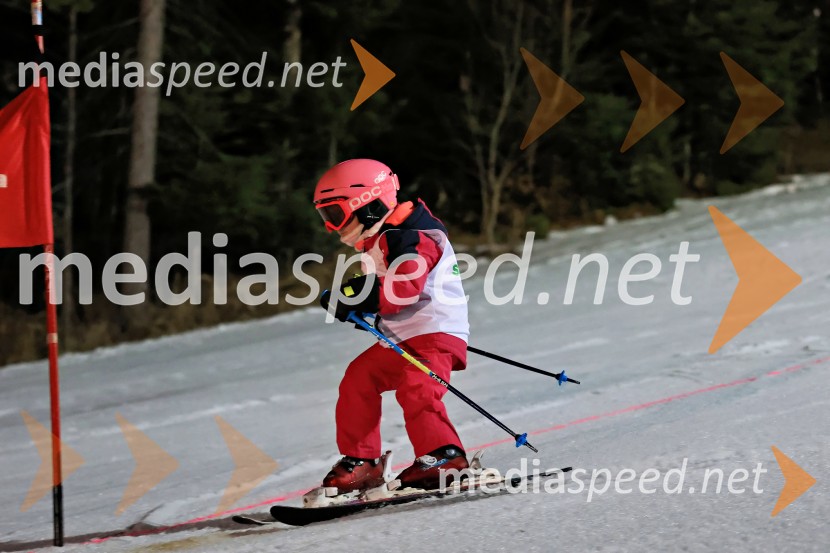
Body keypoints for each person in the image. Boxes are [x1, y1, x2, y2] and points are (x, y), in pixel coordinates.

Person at [314, 158, 470, 492]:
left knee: (418, 388)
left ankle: (443, 456)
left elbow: (404, 287)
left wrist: (360, 296)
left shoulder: (413, 236)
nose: (330, 226)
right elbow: (382, 294)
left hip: (435, 334)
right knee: (358, 379)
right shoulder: (381, 240)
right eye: (325, 216)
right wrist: (351, 304)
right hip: (403, 338)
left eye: (335, 214)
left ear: (367, 205)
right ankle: (362, 462)